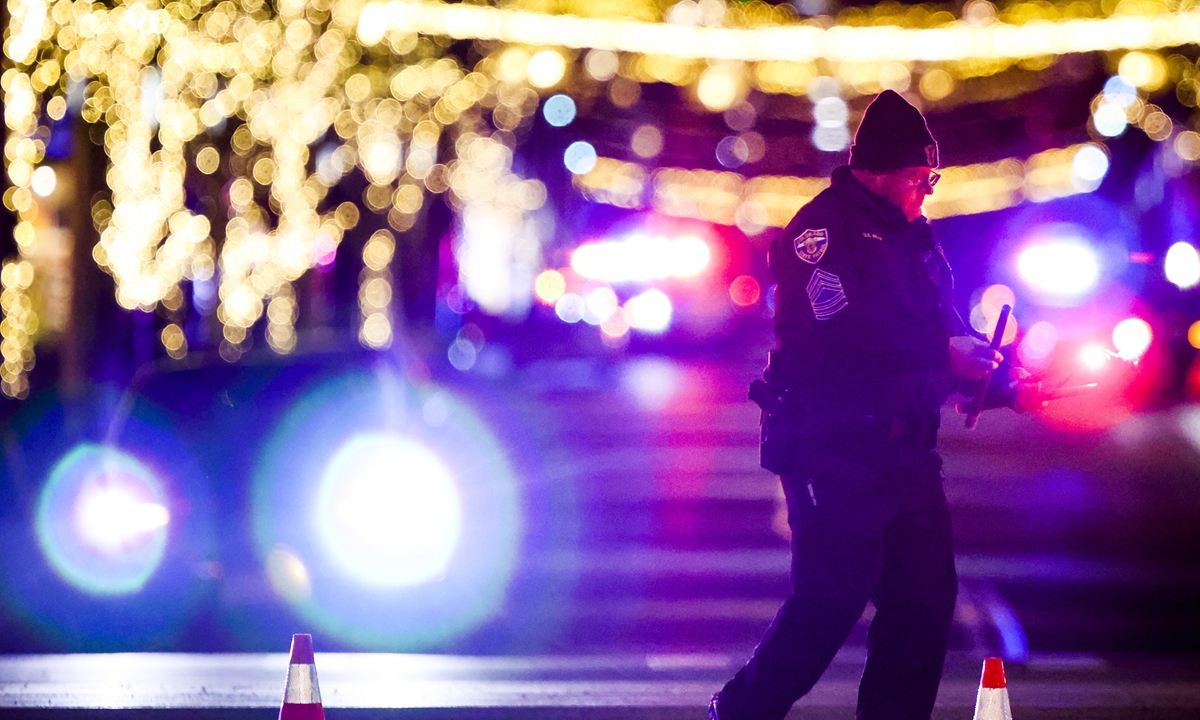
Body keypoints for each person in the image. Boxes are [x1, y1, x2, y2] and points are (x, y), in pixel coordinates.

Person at [710, 90, 1043, 720]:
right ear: (877, 170)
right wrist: (944, 353)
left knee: (922, 605)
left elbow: (944, 337)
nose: (927, 190)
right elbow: (843, 331)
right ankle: (740, 711)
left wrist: (1008, 386)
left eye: (931, 177)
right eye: (919, 176)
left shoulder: (916, 240)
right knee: (827, 604)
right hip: (835, 451)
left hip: (906, 453)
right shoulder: (819, 233)